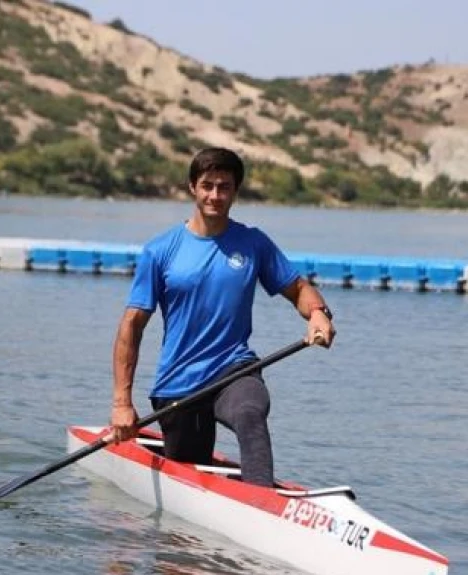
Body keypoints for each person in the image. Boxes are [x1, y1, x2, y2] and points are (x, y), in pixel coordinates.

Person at [109, 147, 335, 488]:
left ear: (235, 191)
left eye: (224, 187)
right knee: (188, 465)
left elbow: (298, 288)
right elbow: (132, 325)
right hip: (179, 384)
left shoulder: (253, 243)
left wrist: (318, 313)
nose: (215, 195)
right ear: (192, 188)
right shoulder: (160, 251)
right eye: (207, 185)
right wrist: (122, 404)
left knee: (250, 412)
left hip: (234, 368)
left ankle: (261, 502)